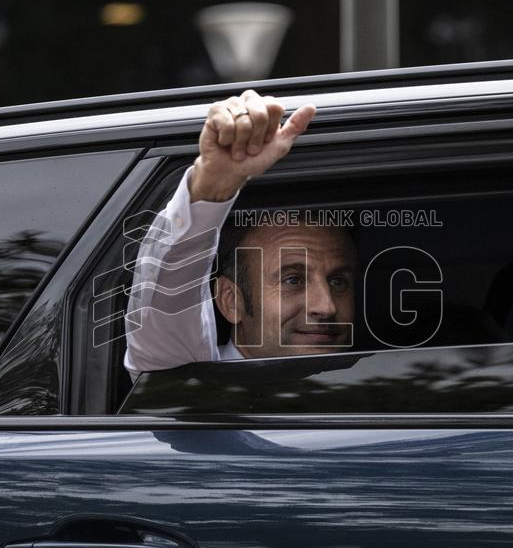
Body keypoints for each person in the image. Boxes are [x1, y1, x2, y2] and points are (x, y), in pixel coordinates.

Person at [124, 90, 356, 376]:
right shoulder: (189, 381)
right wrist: (213, 187)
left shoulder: (386, 400)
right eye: (293, 279)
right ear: (231, 300)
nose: (326, 306)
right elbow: (167, 300)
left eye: (339, 282)